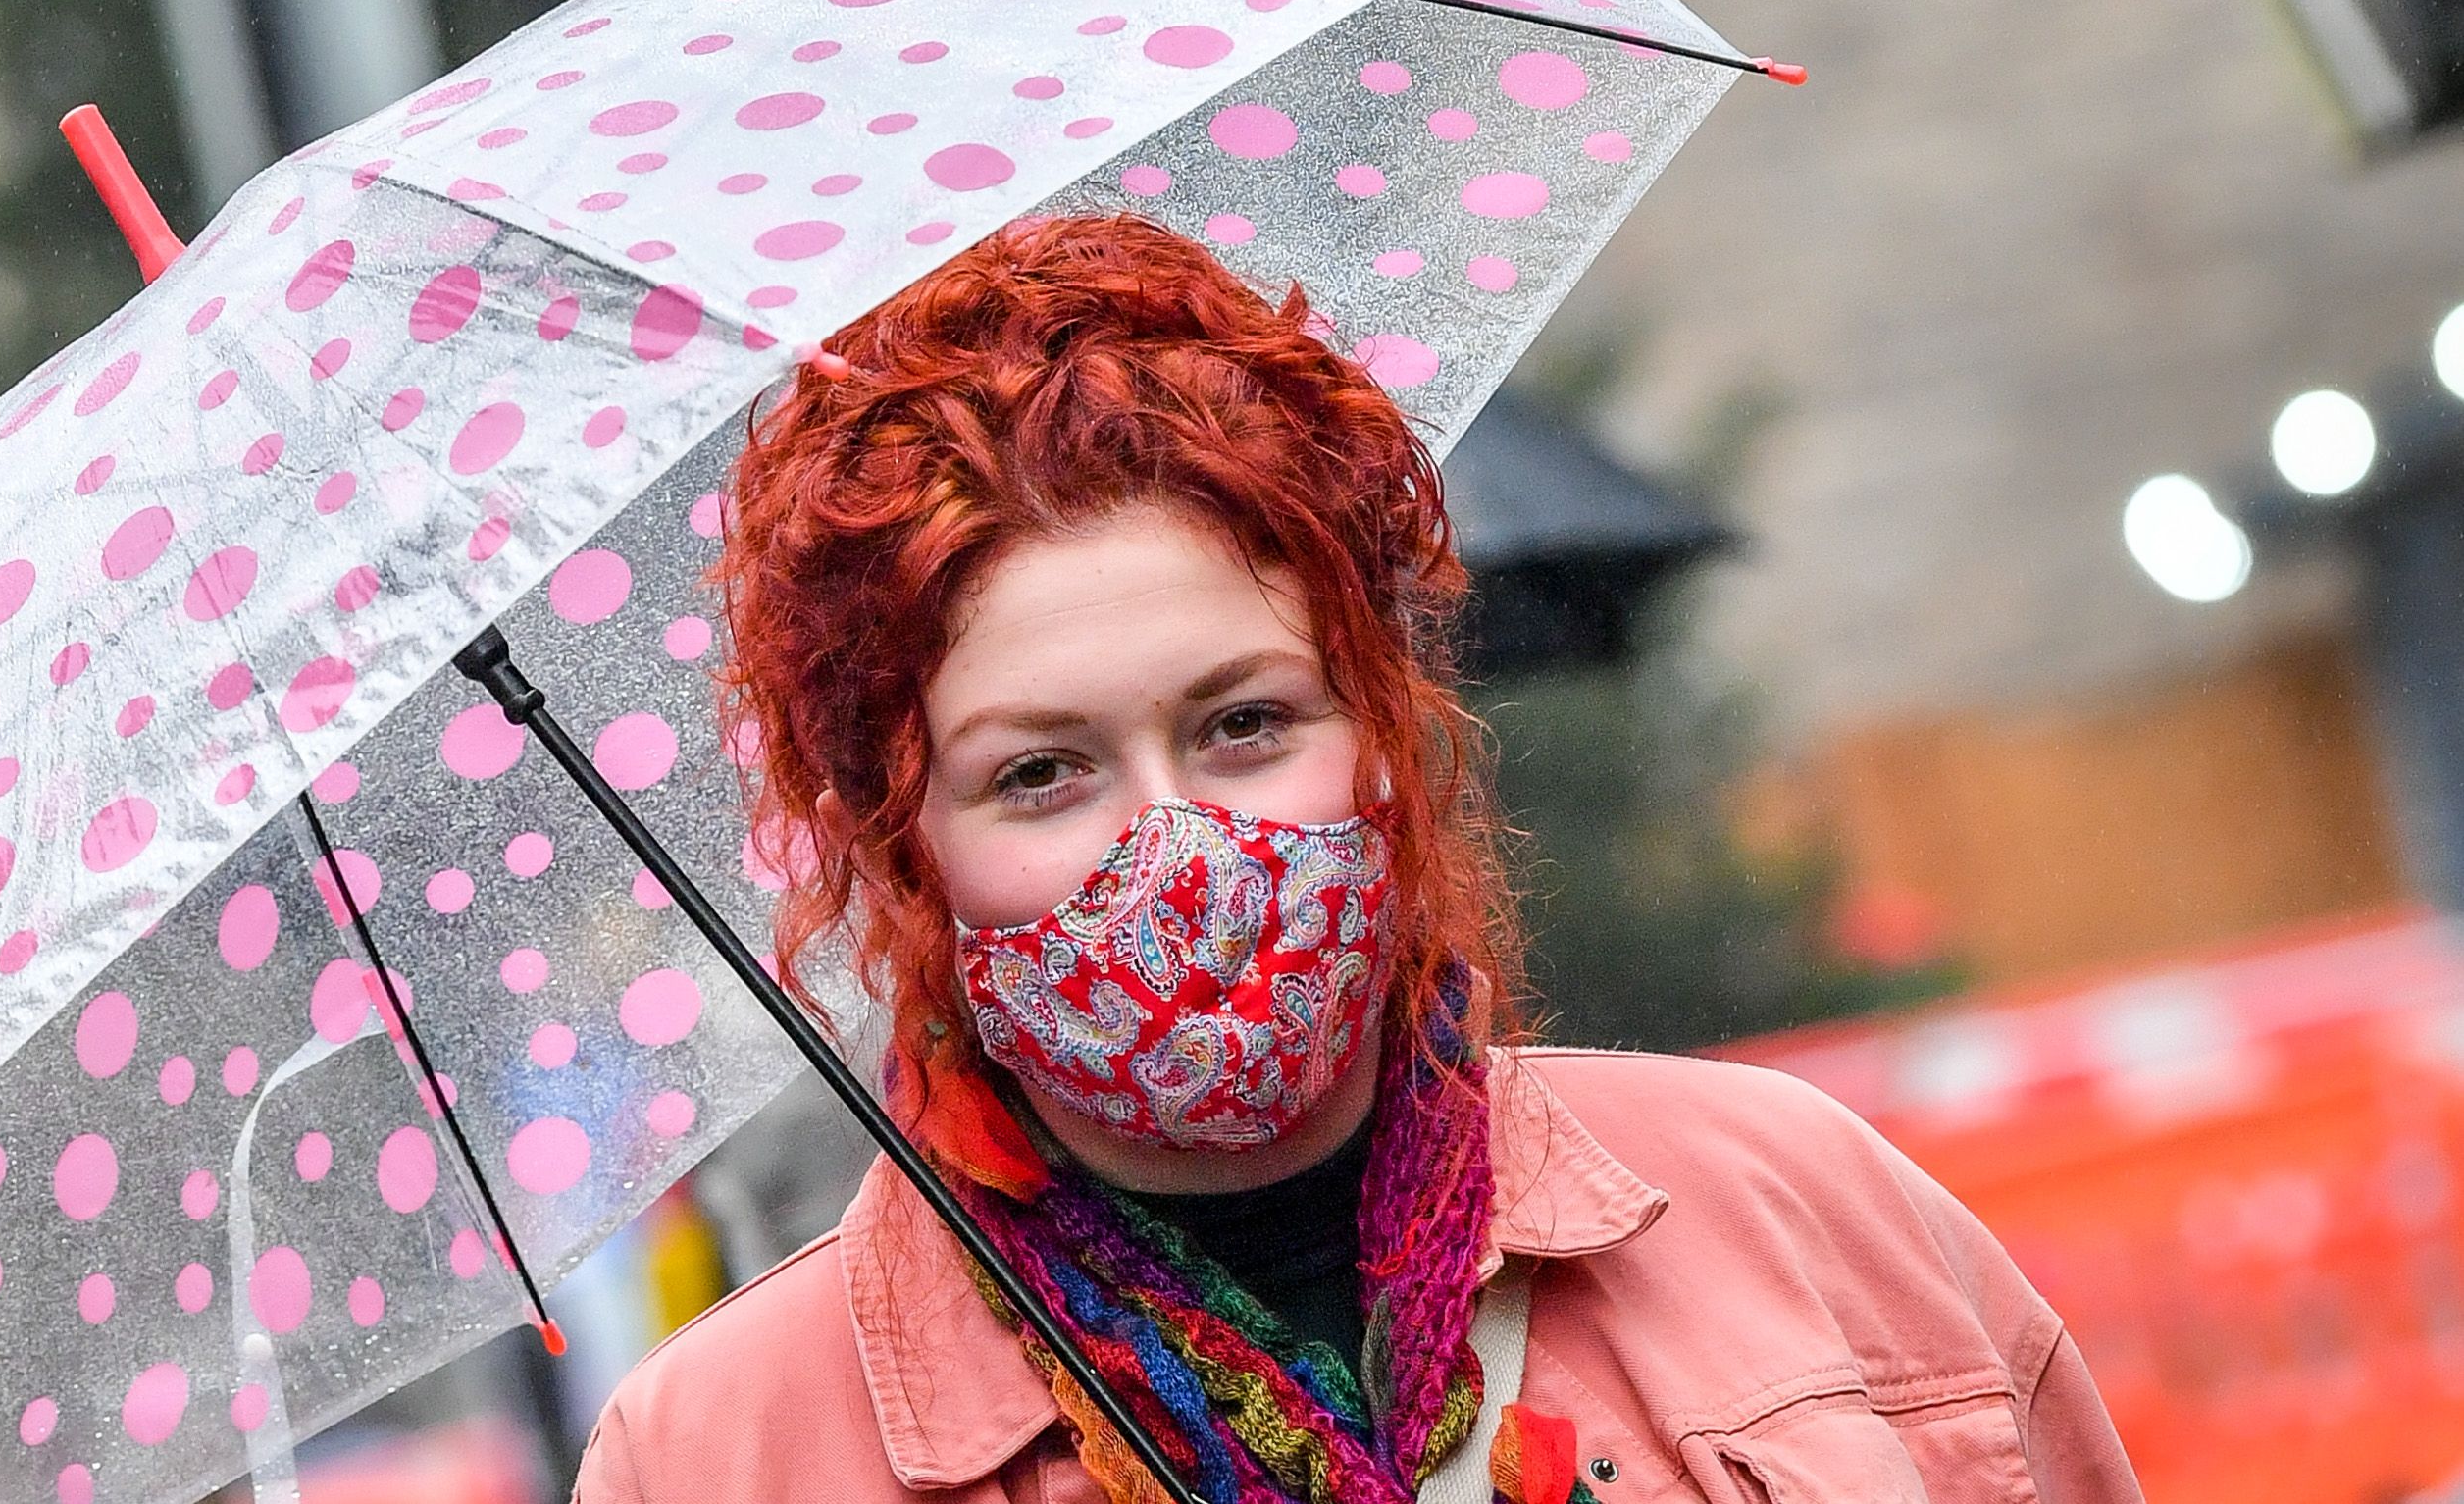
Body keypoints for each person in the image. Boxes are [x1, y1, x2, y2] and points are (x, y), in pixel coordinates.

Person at [571, 215, 2140, 1504]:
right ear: (902, 845)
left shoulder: (1789, 1203)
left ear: (1381, 733)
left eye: (1244, 725)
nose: (1171, 848)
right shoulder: (719, 1455)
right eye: (1039, 774)